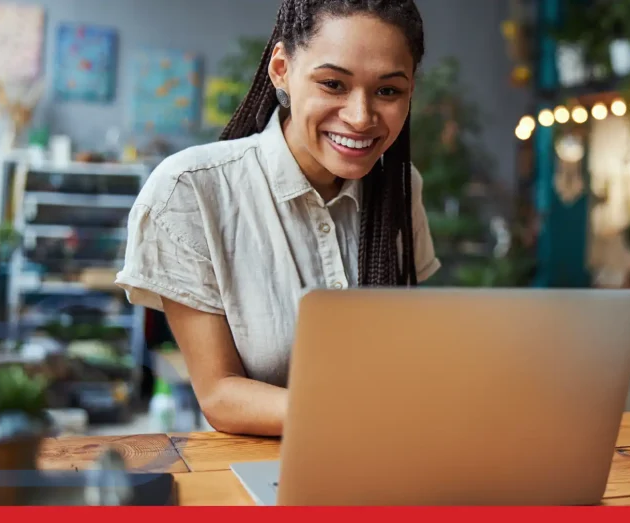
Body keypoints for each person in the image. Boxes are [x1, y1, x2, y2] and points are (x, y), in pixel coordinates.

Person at [116, 0, 439, 437]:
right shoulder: (190, 190)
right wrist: (359, 417)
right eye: (332, 84)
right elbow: (220, 395)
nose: (360, 117)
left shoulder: (402, 188)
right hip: (257, 475)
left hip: (388, 463)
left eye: (387, 91)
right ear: (282, 69)